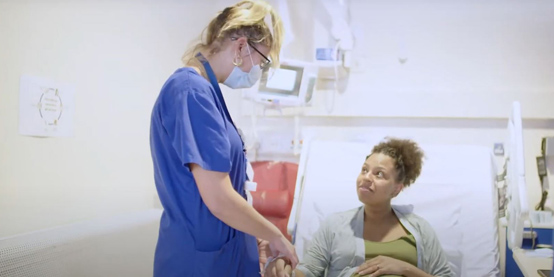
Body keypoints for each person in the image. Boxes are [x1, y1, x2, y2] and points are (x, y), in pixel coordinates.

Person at [149, 1, 298, 276]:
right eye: (262, 62)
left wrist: (255, 234)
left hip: (221, 254)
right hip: (199, 262)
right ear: (241, 47)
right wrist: (275, 235)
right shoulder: (190, 92)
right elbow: (218, 197)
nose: (258, 72)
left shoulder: (206, 93)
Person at [265, 138, 453, 277]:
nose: (366, 177)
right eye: (364, 170)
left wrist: (403, 268)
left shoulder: (420, 230)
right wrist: (283, 269)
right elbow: (308, 271)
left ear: (396, 189)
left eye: (379, 174)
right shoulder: (335, 226)